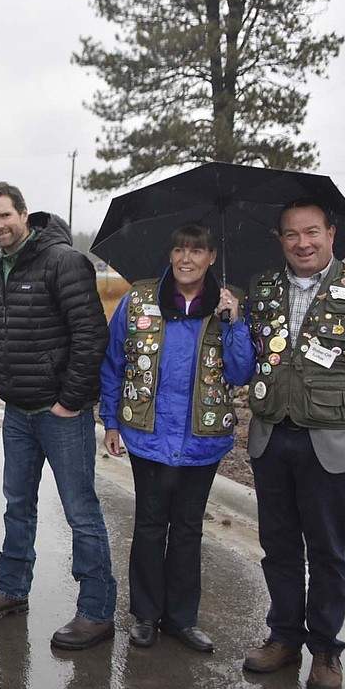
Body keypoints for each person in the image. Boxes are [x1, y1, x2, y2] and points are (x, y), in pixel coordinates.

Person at [241, 199, 345, 689]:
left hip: (333, 446)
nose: (302, 243)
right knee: (278, 546)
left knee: (328, 550)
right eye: (291, 234)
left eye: (312, 232)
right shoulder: (261, 290)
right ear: (280, 240)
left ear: (331, 234)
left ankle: (325, 648)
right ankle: (284, 635)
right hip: (271, 439)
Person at [0, 181, 116, 652]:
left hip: (61, 414)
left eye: (5, 216)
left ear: (25, 213)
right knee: (17, 506)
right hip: (18, 411)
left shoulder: (63, 262)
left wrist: (70, 400)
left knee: (81, 512)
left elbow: (91, 336)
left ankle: (96, 611)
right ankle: (12, 588)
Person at [99, 223, 254, 651]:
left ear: (211, 258)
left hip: (202, 440)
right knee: (150, 525)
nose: (187, 259)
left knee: (187, 529)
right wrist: (110, 421)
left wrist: (235, 323)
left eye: (197, 251)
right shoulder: (138, 300)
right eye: (179, 250)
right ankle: (146, 615)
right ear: (170, 255)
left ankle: (182, 619)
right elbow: (113, 364)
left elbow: (241, 373)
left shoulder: (227, 306)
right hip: (147, 435)